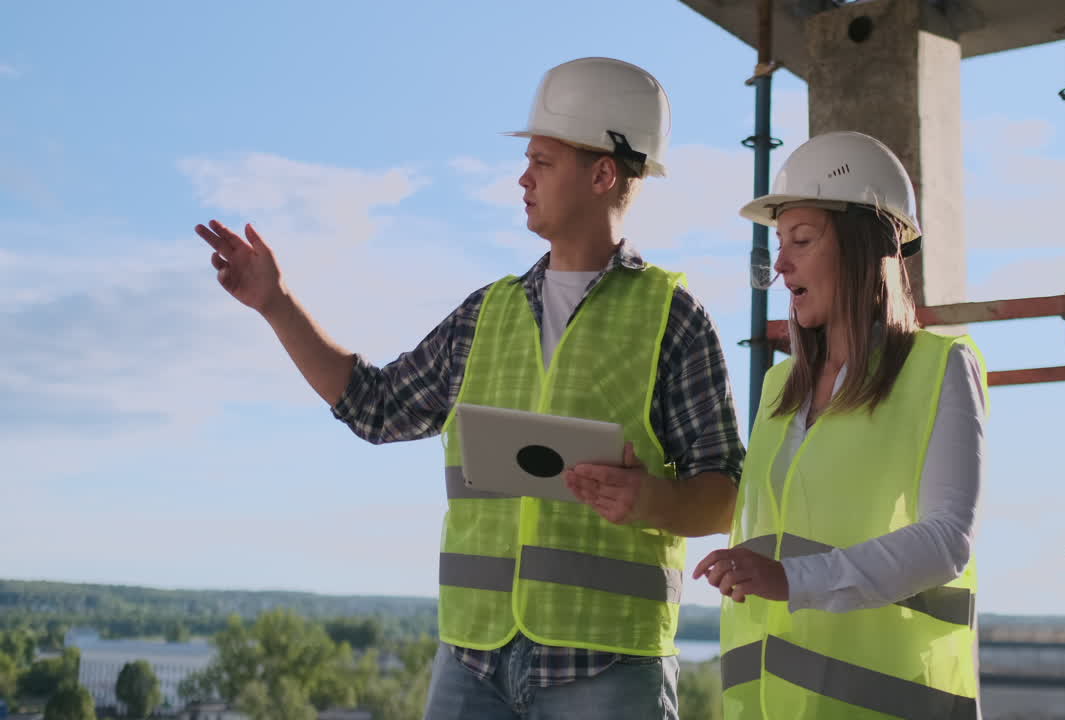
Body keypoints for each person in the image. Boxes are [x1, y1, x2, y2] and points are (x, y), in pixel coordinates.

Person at [195, 57, 743, 720]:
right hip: (471, 661)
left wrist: (650, 498)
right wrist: (277, 304)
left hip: (606, 665)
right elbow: (374, 407)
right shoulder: (486, 315)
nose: (522, 177)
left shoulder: (673, 319)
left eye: (541, 161)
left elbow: (723, 497)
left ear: (602, 174)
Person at [692, 131, 988, 720]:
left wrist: (790, 579)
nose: (781, 264)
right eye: (779, 243)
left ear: (861, 247)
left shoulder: (940, 367)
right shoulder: (779, 389)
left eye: (801, 239)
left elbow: (947, 540)